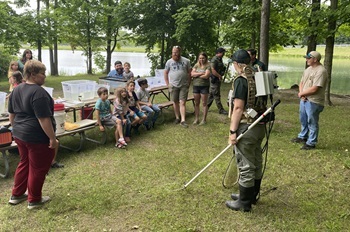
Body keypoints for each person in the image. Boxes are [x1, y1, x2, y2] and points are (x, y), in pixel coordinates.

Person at [8, 60, 58, 209]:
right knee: (38, 167)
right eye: (42, 74)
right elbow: (43, 119)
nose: (45, 77)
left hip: (20, 134)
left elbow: (12, 114)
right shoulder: (39, 93)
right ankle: (34, 199)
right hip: (36, 137)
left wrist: (15, 128)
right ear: (32, 74)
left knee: (25, 162)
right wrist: (52, 138)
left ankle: (17, 195)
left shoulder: (16, 90)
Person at [225, 49, 267, 212]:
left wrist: (232, 132)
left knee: (246, 164)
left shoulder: (241, 80)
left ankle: (244, 203)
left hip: (246, 126)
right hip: (260, 125)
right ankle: (251, 195)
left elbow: (238, 108)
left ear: (236, 64)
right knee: (256, 160)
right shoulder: (258, 75)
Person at [291, 51, 327, 150]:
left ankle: (311, 142)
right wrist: (302, 93)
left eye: (308, 58)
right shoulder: (308, 69)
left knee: (312, 121)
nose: (306, 59)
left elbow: (315, 88)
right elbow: (301, 82)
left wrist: (302, 94)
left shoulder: (321, 71)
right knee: (303, 119)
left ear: (315, 59)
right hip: (304, 99)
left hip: (314, 101)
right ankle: (303, 136)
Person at [164, 45, 192, 127]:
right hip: (173, 85)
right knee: (175, 102)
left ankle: (183, 120)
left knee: (182, 102)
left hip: (184, 85)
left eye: (176, 52)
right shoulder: (169, 62)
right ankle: (177, 117)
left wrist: (189, 83)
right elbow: (165, 72)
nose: (174, 54)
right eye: (173, 52)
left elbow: (189, 73)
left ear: (180, 52)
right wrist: (167, 84)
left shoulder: (186, 61)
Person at [191, 52, 211, 125]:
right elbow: (192, 74)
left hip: (204, 86)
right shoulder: (196, 65)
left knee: (204, 103)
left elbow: (206, 76)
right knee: (196, 103)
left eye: (203, 58)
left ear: (205, 58)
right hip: (196, 86)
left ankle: (204, 119)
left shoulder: (208, 66)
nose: (201, 59)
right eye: (200, 58)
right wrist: (201, 74)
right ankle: (196, 119)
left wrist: (196, 75)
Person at [207, 47, 228, 115]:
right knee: (216, 94)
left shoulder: (220, 59)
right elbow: (213, 70)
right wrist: (219, 76)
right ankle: (220, 109)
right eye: (222, 53)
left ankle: (206, 107)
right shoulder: (214, 60)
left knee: (211, 94)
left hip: (217, 79)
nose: (223, 54)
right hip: (214, 78)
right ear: (219, 53)